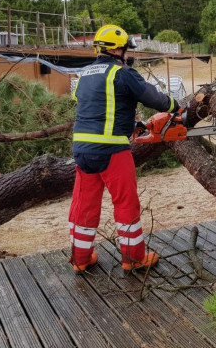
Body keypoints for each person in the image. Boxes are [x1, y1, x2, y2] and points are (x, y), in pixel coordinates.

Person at [69, 24, 180, 273]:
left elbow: (100, 108)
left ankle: (81, 259)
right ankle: (134, 258)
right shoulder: (122, 72)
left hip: (82, 150)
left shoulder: (84, 75)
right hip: (112, 150)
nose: (127, 54)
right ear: (117, 49)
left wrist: (132, 124)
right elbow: (153, 98)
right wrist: (176, 107)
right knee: (125, 203)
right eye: (126, 49)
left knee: (84, 204)